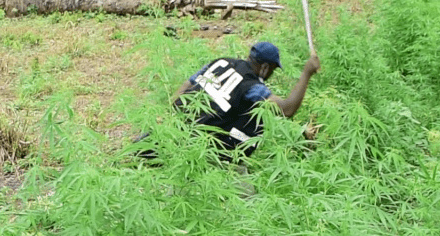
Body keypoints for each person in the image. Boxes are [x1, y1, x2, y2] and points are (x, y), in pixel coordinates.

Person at [137, 41, 321, 160]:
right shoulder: (251, 86)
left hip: (175, 131)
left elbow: (187, 84)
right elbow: (287, 109)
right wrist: (306, 73)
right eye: (272, 69)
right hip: (205, 149)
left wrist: (169, 115)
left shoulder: (221, 62)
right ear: (265, 67)